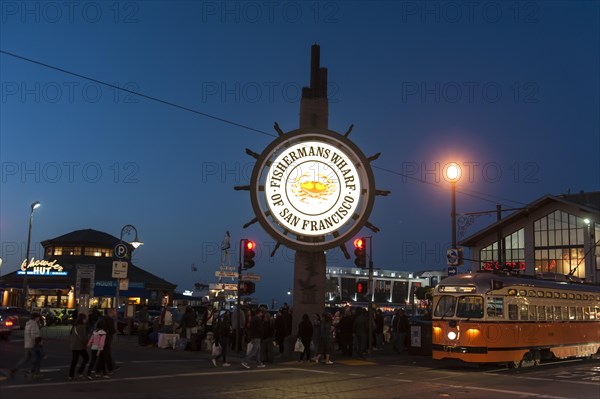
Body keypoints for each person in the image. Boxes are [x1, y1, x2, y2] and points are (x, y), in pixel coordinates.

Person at [11, 312, 42, 377]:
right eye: (39, 317)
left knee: (26, 358)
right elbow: (33, 335)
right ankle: (33, 372)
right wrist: (38, 340)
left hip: (27, 344)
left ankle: (15, 368)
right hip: (33, 344)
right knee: (36, 358)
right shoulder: (34, 324)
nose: (39, 319)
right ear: (36, 318)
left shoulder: (28, 323)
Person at [69, 313, 90, 380]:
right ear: (83, 319)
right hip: (80, 346)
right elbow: (83, 338)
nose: (86, 320)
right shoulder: (82, 326)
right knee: (86, 358)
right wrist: (87, 343)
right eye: (85, 319)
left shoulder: (75, 326)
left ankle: (71, 375)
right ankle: (79, 372)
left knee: (74, 361)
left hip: (74, 345)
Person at [100, 309, 117, 374]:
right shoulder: (110, 319)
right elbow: (112, 330)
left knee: (102, 353)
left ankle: (100, 368)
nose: (115, 313)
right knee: (107, 353)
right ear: (111, 312)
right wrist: (114, 331)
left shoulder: (103, 318)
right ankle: (110, 368)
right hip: (107, 338)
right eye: (115, 311)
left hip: (102, 337)